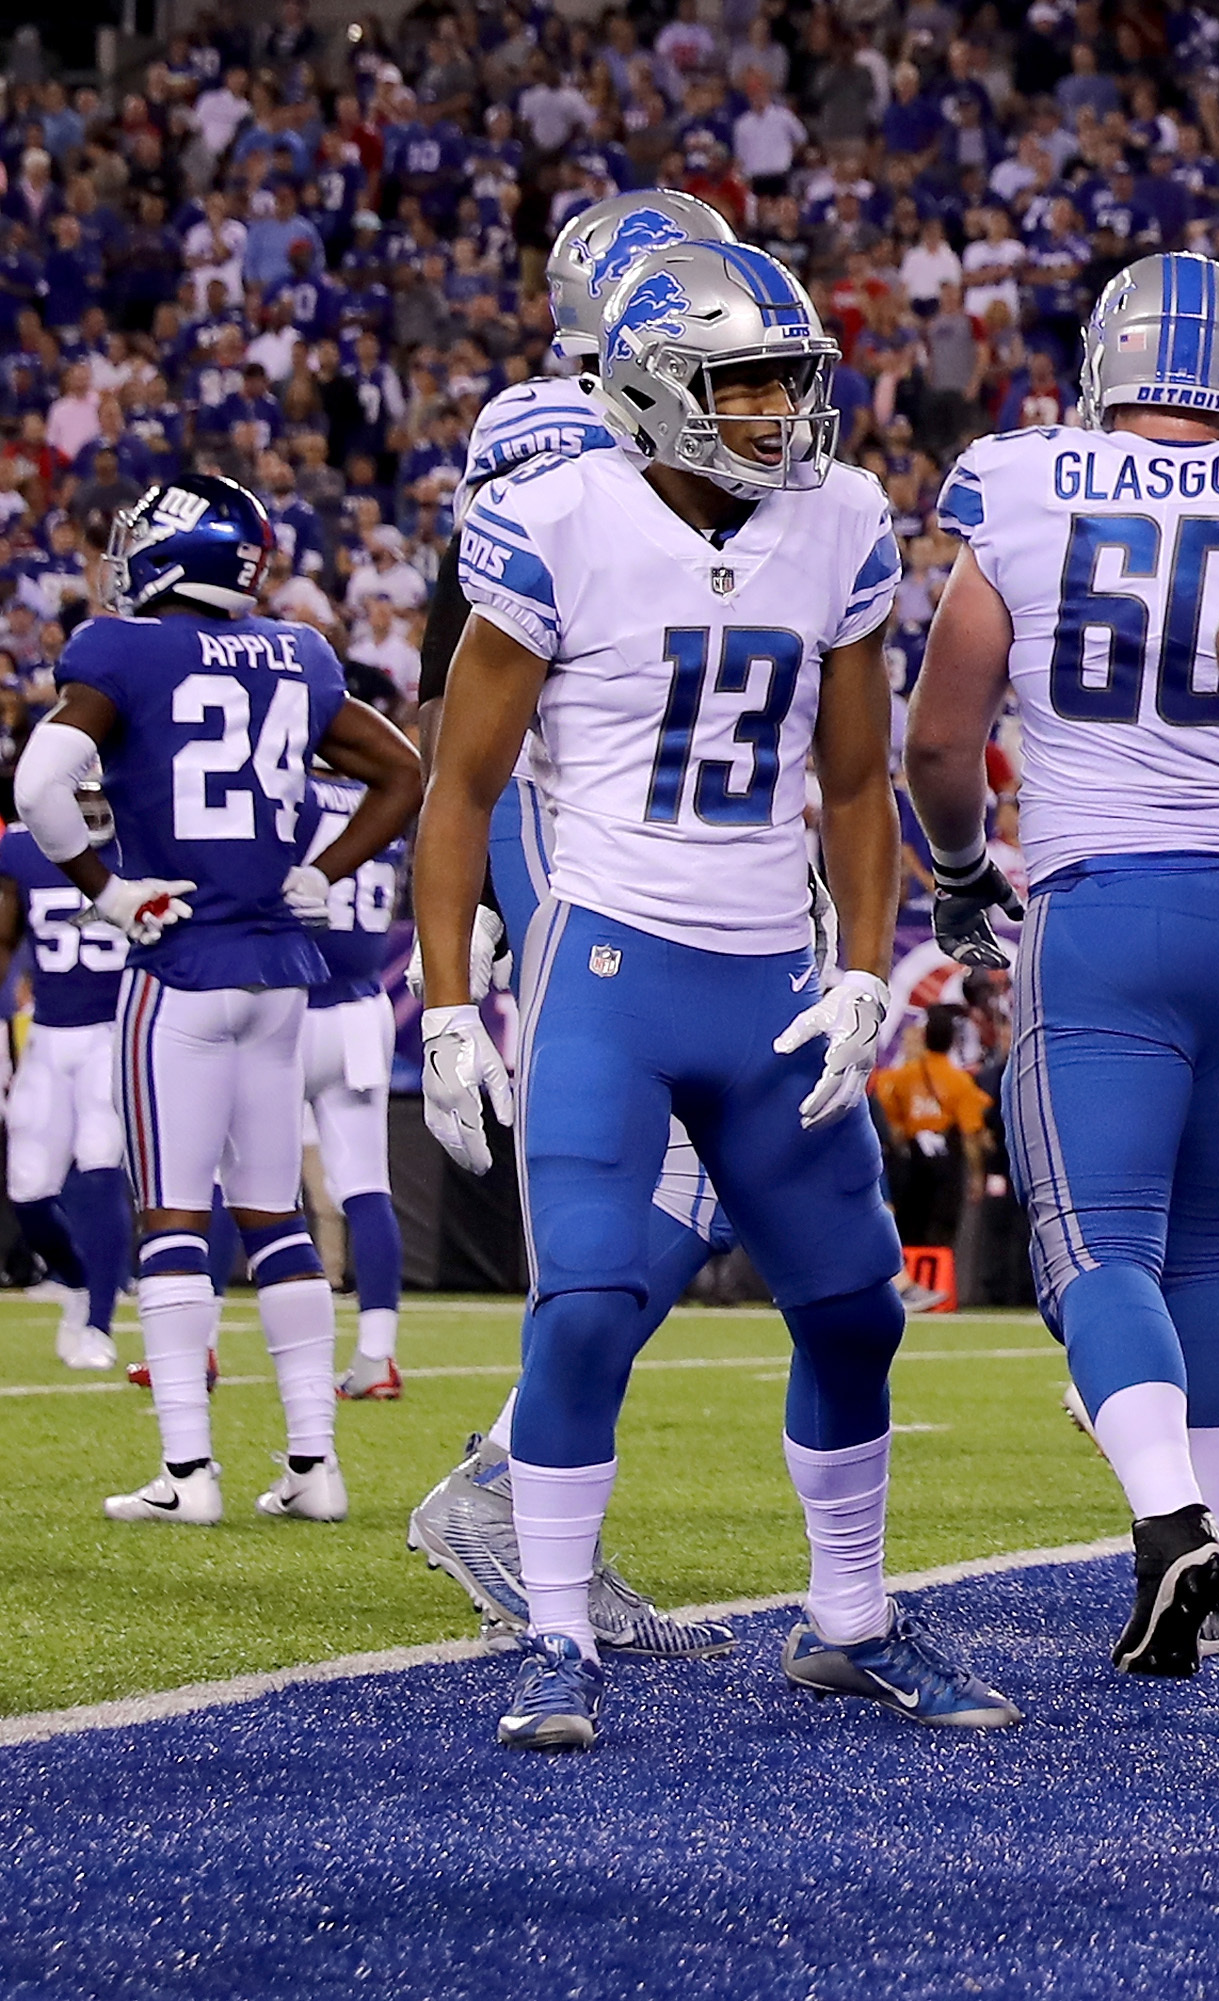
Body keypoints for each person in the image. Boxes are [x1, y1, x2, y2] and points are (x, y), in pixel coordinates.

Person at [418, 240, 1014, 1751]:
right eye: (738, 380)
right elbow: (462, 783)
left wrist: (873, 972)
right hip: (611, 952)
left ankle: (853, 1618)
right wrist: (440, 1001)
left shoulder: (837, 520)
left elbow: (859, 783)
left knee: (854, 1306)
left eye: (786, 378)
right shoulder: (554, 517)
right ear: (648, 389)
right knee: (590, 1297)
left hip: (772, 966)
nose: (774, 412)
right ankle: (555, 1636)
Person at [905, 252, 1219, 1677]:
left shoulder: (1021, 480)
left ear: (1106, 360)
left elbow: (942, 742)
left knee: (1093, 1251)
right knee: (1208, 1249)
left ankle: (1169, 1525)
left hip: (1102, 897)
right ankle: (1195, 1549)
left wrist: (961, 874)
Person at [401, 189, 746, 1666]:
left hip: (652, 831)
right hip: (581, 830)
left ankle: (513, 1477)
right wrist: (480, 894)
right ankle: (511, 1497)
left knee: (701, 1180)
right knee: (637, 1176)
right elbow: (470, 665)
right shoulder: (554, 425)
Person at [20, 474, 420, 1527]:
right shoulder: (301, 652)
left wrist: (105, 892)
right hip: (281, 972)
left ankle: (189, 1475)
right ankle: (313, 1465)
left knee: (171, 1215)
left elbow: (36, 787)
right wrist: (327, 870)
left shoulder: (121, 649)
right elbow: (401, 770)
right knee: (274, 1211)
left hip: (181, 967)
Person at [0, 800, 134, 1370]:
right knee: (28, 1189)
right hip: (50, 1035)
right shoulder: (21, 851)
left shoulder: (146, 838)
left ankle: (100, 1322)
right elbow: (6, 936)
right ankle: (78, 1282)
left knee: (101, 1162)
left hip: (116, 1030)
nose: (88, 809)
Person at [292, 770, 410, 1399]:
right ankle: (377, 1356)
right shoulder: (379, 792)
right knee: (367, 1186)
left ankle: (197, 1348)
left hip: (287, 1004)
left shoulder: (293, 790)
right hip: (364, 1013)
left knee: (235, 1182)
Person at [869, 1006, 989, 1255]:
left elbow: (893, 1127)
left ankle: (910, 1284)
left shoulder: (901, 1077)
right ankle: (937, 1285)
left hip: (911, 1165)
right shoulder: (961, 1082)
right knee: (943, 1233)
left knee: (910, 1230)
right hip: (946, 1168)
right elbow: (970, 1134)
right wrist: (977, 1175)